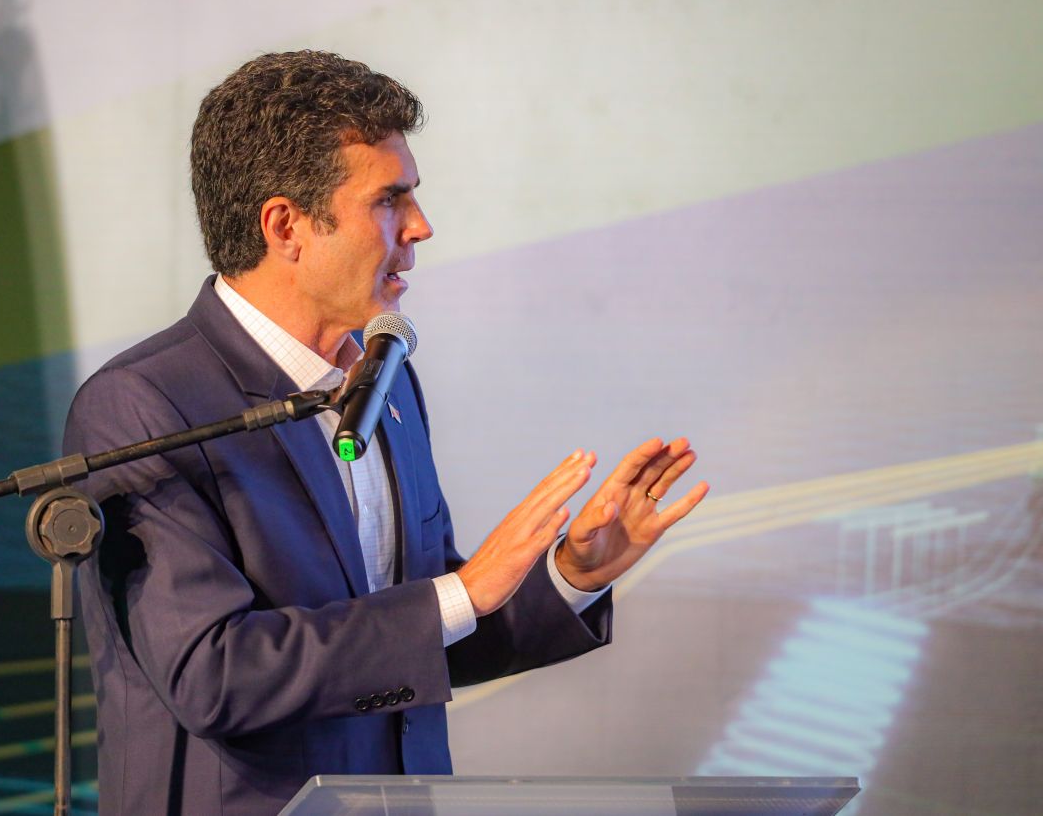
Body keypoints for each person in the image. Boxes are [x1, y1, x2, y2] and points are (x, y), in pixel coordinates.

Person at [62, 50, 708, 816]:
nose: (421, 226)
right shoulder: (142, 407)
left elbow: (418, 638)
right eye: (389, 200)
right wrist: (459, 592)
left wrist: (570, 571)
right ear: (286, 226)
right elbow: (216, 674)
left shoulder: (386, 381)